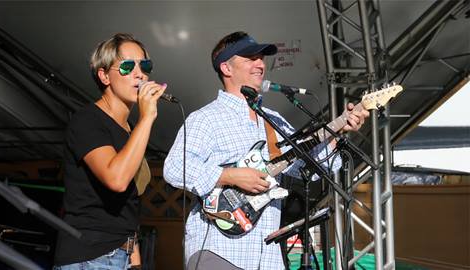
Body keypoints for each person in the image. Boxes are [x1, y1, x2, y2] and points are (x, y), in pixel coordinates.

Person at [163, 31, 369, 270]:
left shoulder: (274, 121)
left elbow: (311, 165)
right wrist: (230, 176)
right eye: (251, 58)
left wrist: (340, 129)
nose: (260, 64)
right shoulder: (206, 119)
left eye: (261, 58)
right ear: (226, 68)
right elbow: (175, 168)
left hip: (267, 254)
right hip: (219, 249)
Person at [53, 33, 167, 269]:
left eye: (144, 65)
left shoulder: (131, 129)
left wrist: (135, 261)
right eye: (127, 66)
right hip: (90, 256)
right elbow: (116, 179)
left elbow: (127, 204)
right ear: (104, 76)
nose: (140, 74)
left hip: (121, 254)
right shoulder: (87, 121)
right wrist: (148, 118)